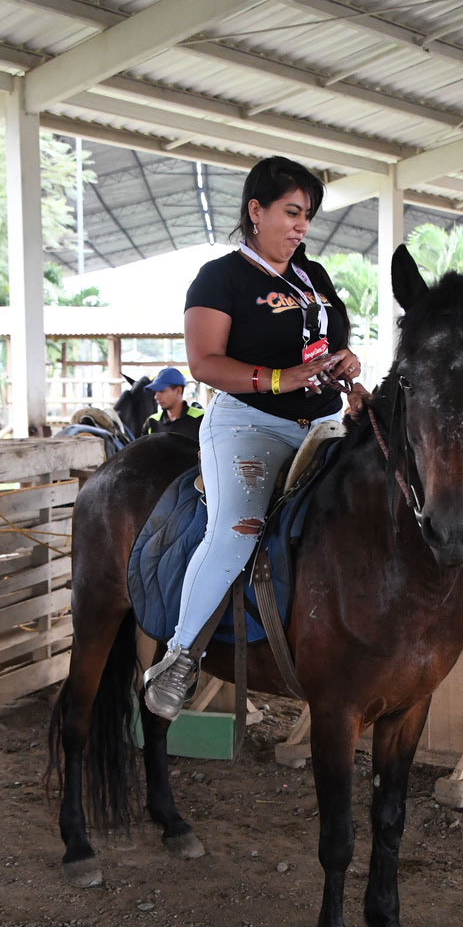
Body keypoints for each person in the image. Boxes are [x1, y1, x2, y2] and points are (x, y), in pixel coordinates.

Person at [143, 155, 360, 720]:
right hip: (248, 423)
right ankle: (181, 655)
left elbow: (326, 340)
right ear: (255, 211)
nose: (300, 226)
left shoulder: (313, 276)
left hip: (321, 423)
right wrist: (280, 380)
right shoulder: (221, 276)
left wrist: (344, 361)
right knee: (237, 530)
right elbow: (204, 362)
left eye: (307, 215)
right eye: (291, 212)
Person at [141, 366, 204, 441]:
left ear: (178, 391)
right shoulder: (152, 422)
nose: (156, 397)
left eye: (161, 391)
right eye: (155, 392)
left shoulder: (201, 419)